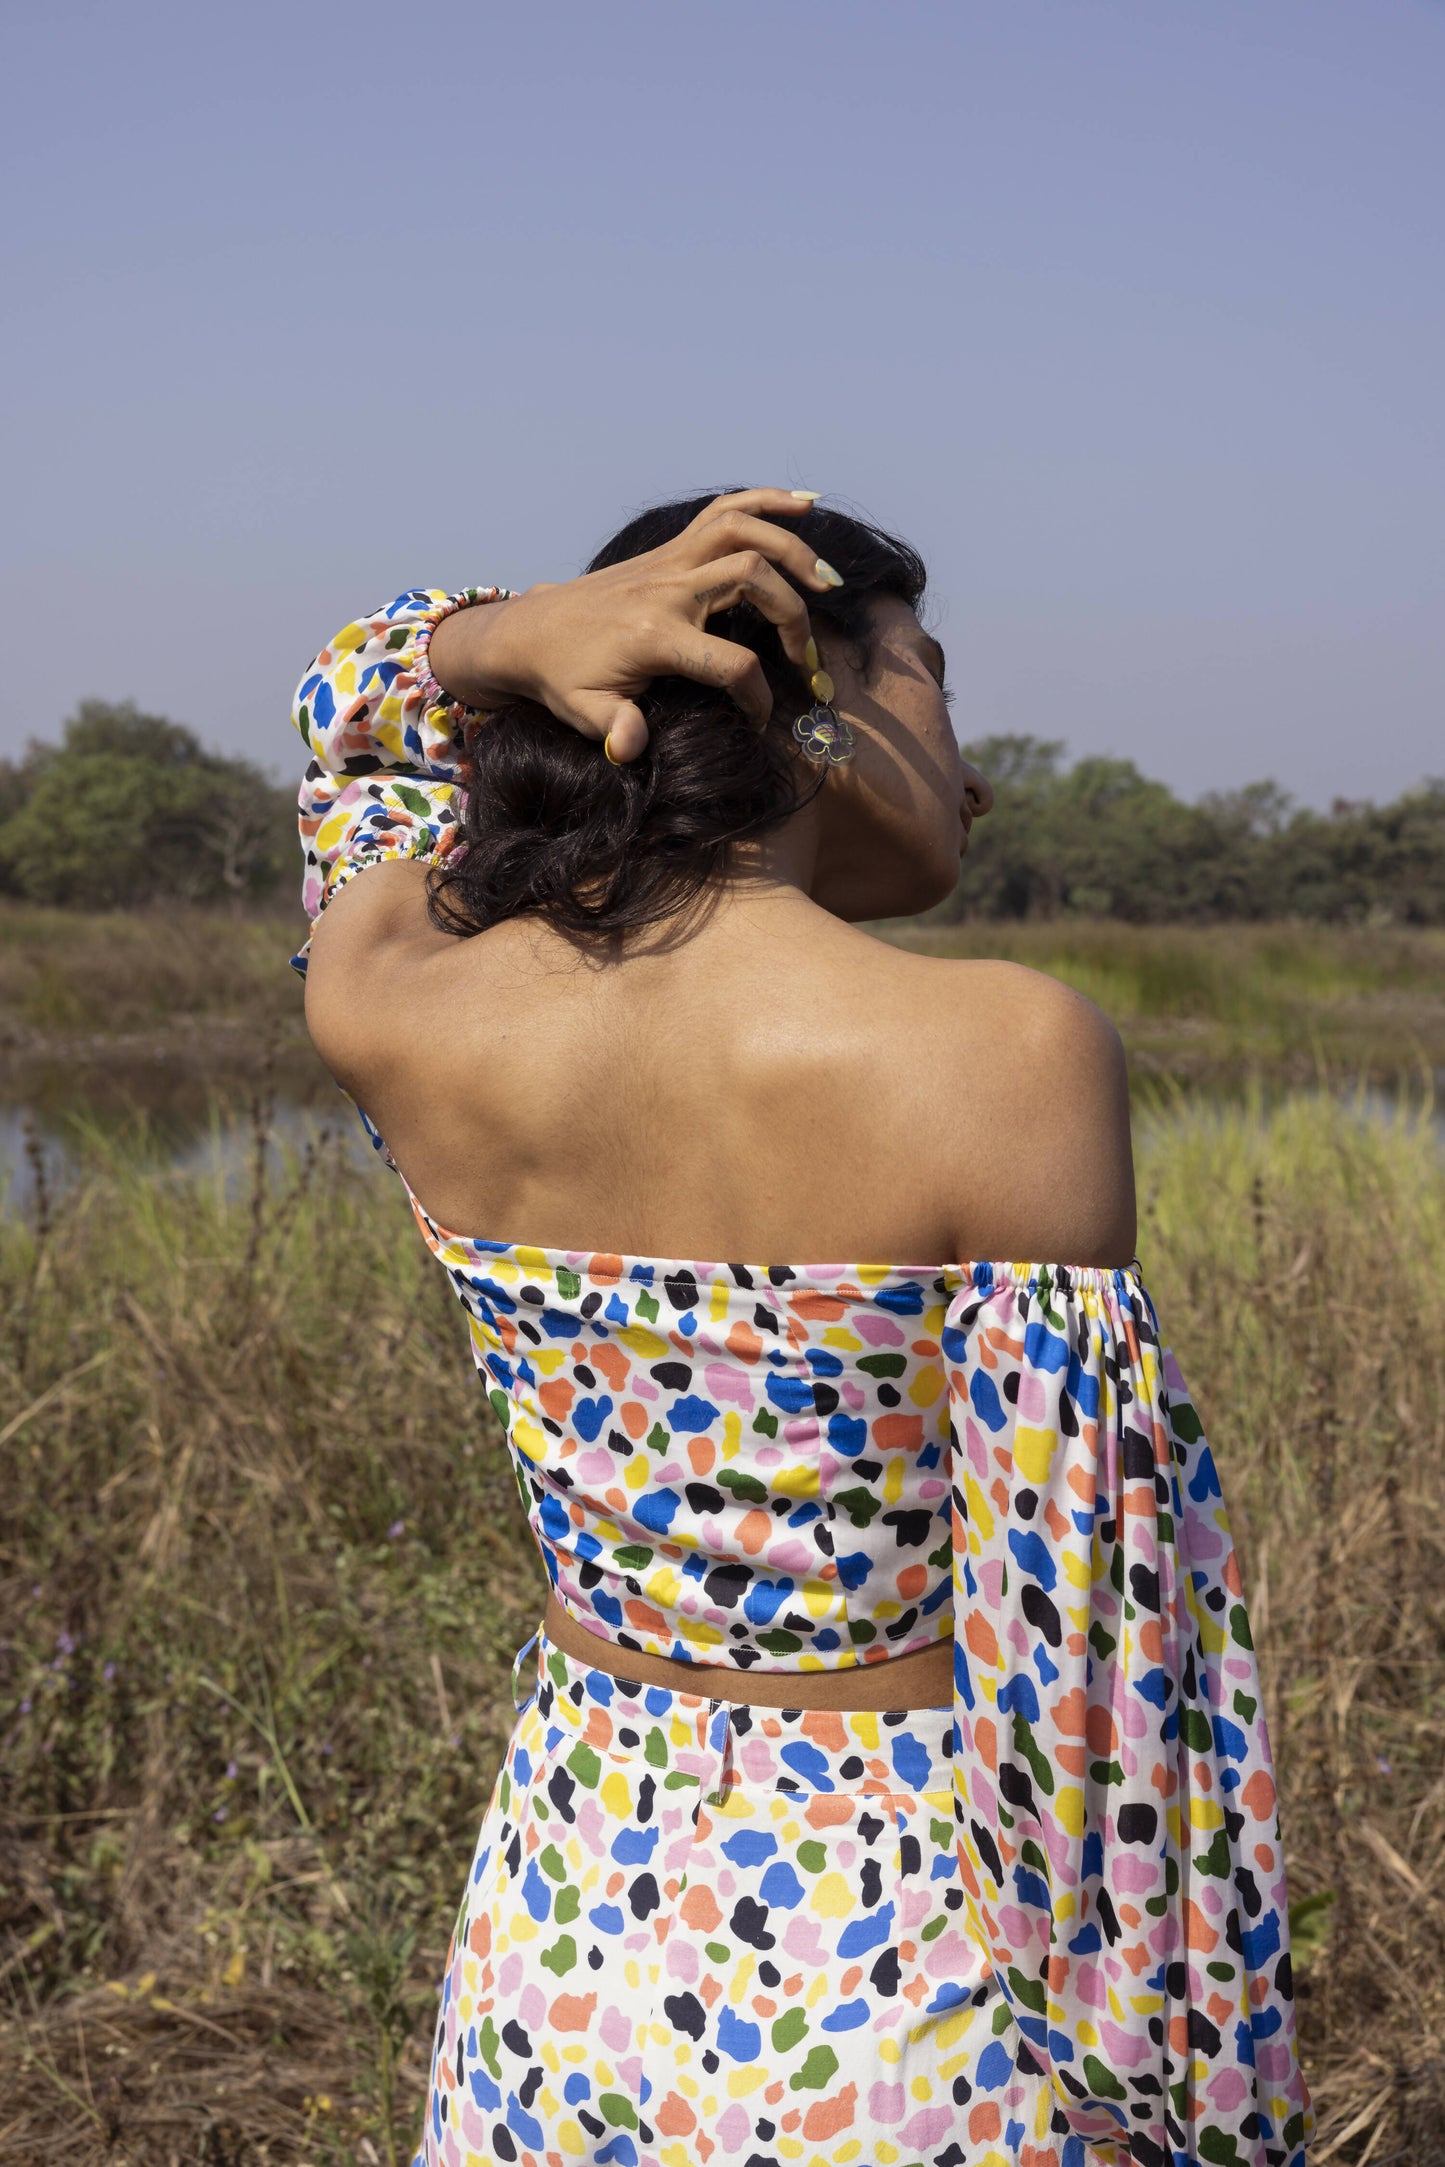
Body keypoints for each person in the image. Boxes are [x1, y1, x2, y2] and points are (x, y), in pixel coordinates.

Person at [291, 489, 1311, 2167]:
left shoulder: (395, 995)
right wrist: (1187, 2102)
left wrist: (494, 638)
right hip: (907, 1957)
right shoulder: (1001, 1054)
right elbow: (1105, 1660)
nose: (969, 763)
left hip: (568, 1921)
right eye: (932, 680)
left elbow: (348, 733)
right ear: (811, 702)